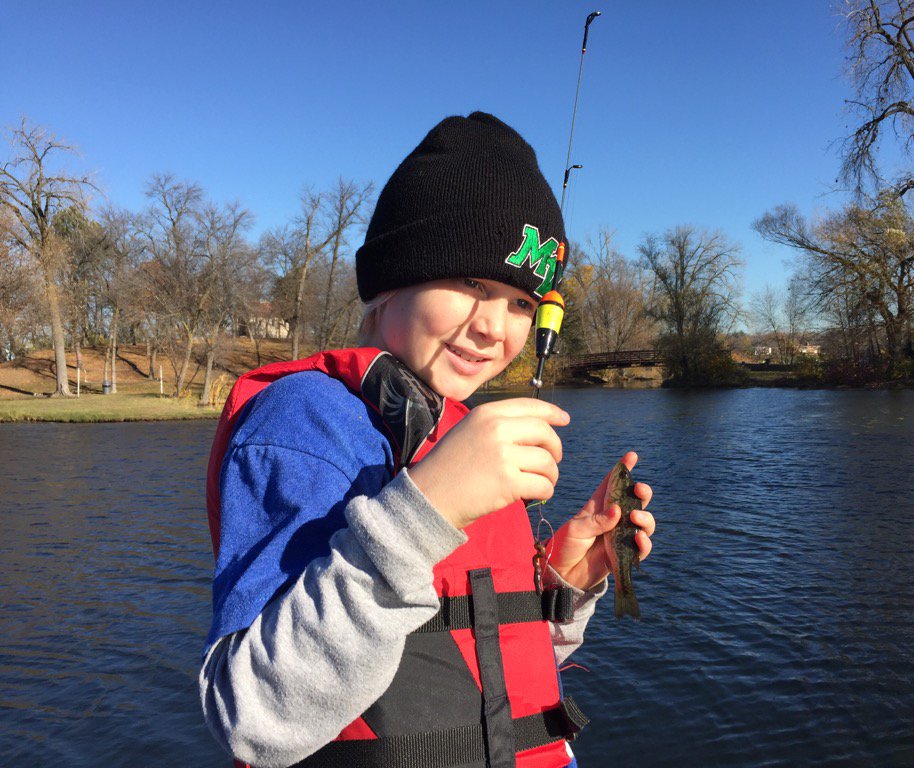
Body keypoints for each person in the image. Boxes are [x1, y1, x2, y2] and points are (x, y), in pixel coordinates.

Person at [199, 111, 656, 768]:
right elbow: (253, 715)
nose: (494, 327)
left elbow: (461, 669)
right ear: (390, 282)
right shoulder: (306, 422)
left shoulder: (459, 434)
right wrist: (426, 511)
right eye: (471, 283)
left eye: (522, 303)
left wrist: (563, 586)